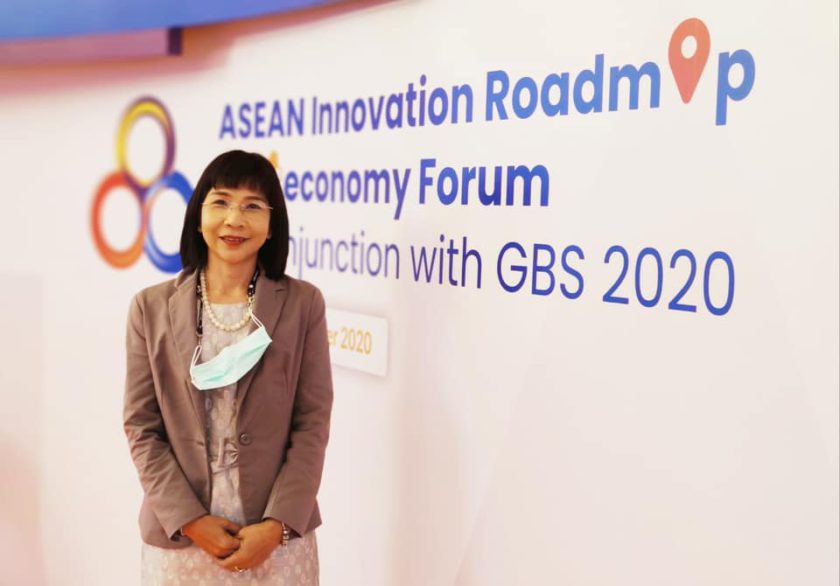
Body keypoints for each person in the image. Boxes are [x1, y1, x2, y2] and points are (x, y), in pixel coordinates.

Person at [123, 150, 333, 585]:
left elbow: (311, 422)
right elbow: (142, 426)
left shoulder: (303, 304)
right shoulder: (150, 308)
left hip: (277, 541)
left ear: (272, 225)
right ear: (198, 216)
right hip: (182, 540)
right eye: (221, 202)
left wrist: (276, 526)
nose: (234, 219)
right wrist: (191, 520)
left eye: (252, 206)